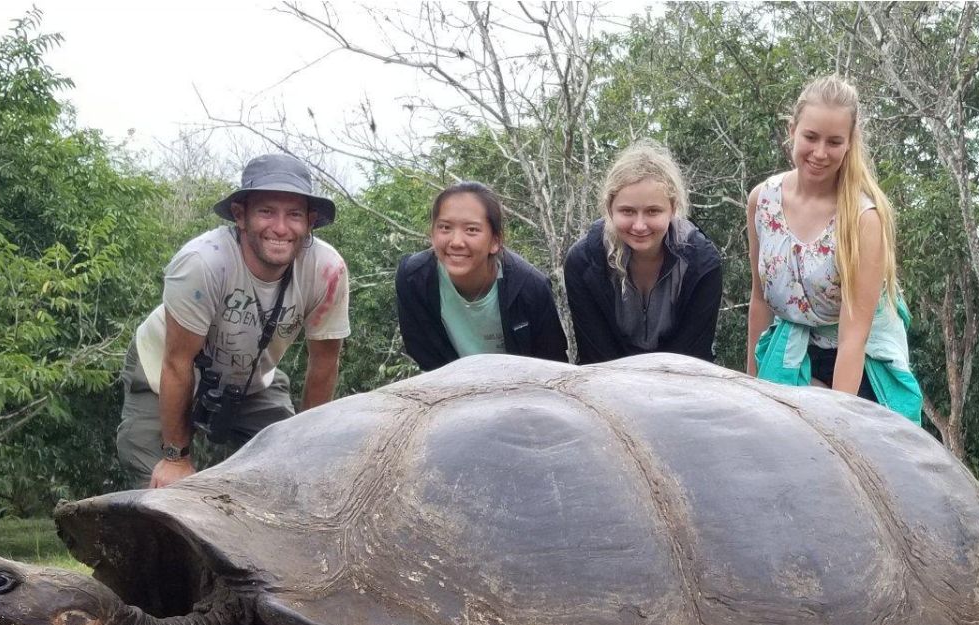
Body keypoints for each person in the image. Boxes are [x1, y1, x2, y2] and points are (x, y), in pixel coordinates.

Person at [116, 153, 348, 489]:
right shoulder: (202, 262)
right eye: (267, 211)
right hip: (163, 371)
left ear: (310, 221)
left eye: (294, 214)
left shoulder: (327, 270)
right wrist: (175, 457)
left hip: (251, 378)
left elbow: (324, 363)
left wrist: (305, 448)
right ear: (241, 215)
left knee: (292, 478)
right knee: (163, 493)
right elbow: (177, 362)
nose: (281, 228)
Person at [746, 76, 923, 423]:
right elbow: (758, 299)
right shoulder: (762, 201)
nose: (820, 153)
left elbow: (853, 336)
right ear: (792, 129)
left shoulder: (862, 219)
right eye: (811, 137)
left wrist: (840, 424)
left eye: (834, 141)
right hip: (789, 348)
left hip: (855, 359)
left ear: (849, 143)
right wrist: (751, 389)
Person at [563, 141, 723, 363]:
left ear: (673, 209)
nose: (639, 225)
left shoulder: (702, 263)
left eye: (653, 211)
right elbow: (596, 354)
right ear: (610, 208)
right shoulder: (583, 262)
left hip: (682, 383)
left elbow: (692, 356)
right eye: (627, 211)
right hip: (606, 382)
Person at [395, 181, 568, 370]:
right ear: (432, 234)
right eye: (445, 227)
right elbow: (425, 354)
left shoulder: (530, 288)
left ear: (495, 241)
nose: (456, 241)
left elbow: (553, 366)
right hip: (451, 389)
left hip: (523, 393)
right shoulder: (413, 279)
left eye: (472, 230)